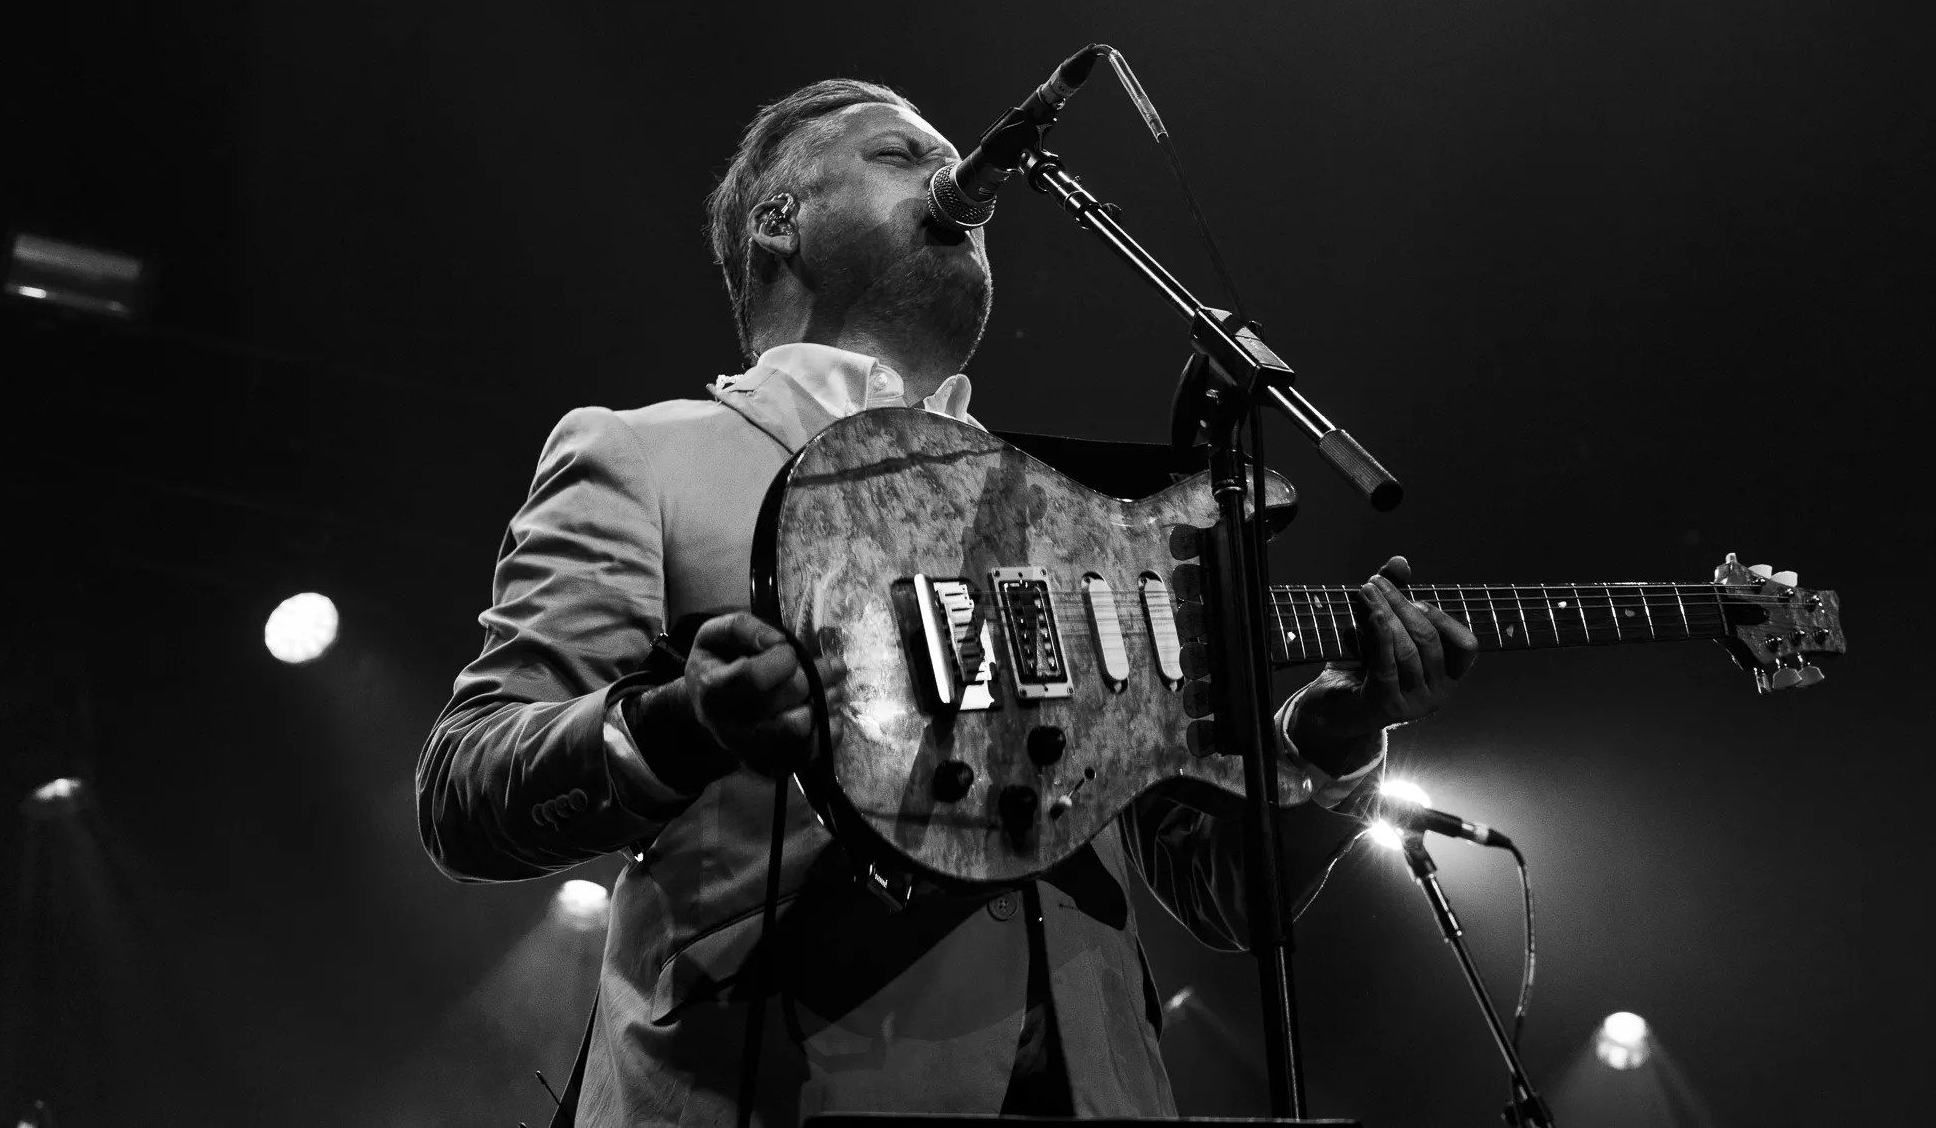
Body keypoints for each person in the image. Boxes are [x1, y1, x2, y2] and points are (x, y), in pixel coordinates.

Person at [415, 78, 1478, 1126]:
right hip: (774, 1089)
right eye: (898, 155)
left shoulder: (1065, 514)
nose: (956, 173)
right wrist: (676, 724)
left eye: (943, 153)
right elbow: (464, 789)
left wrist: (1337, 734)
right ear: (778, 220)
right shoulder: (641, 455)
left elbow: (1218, 894)